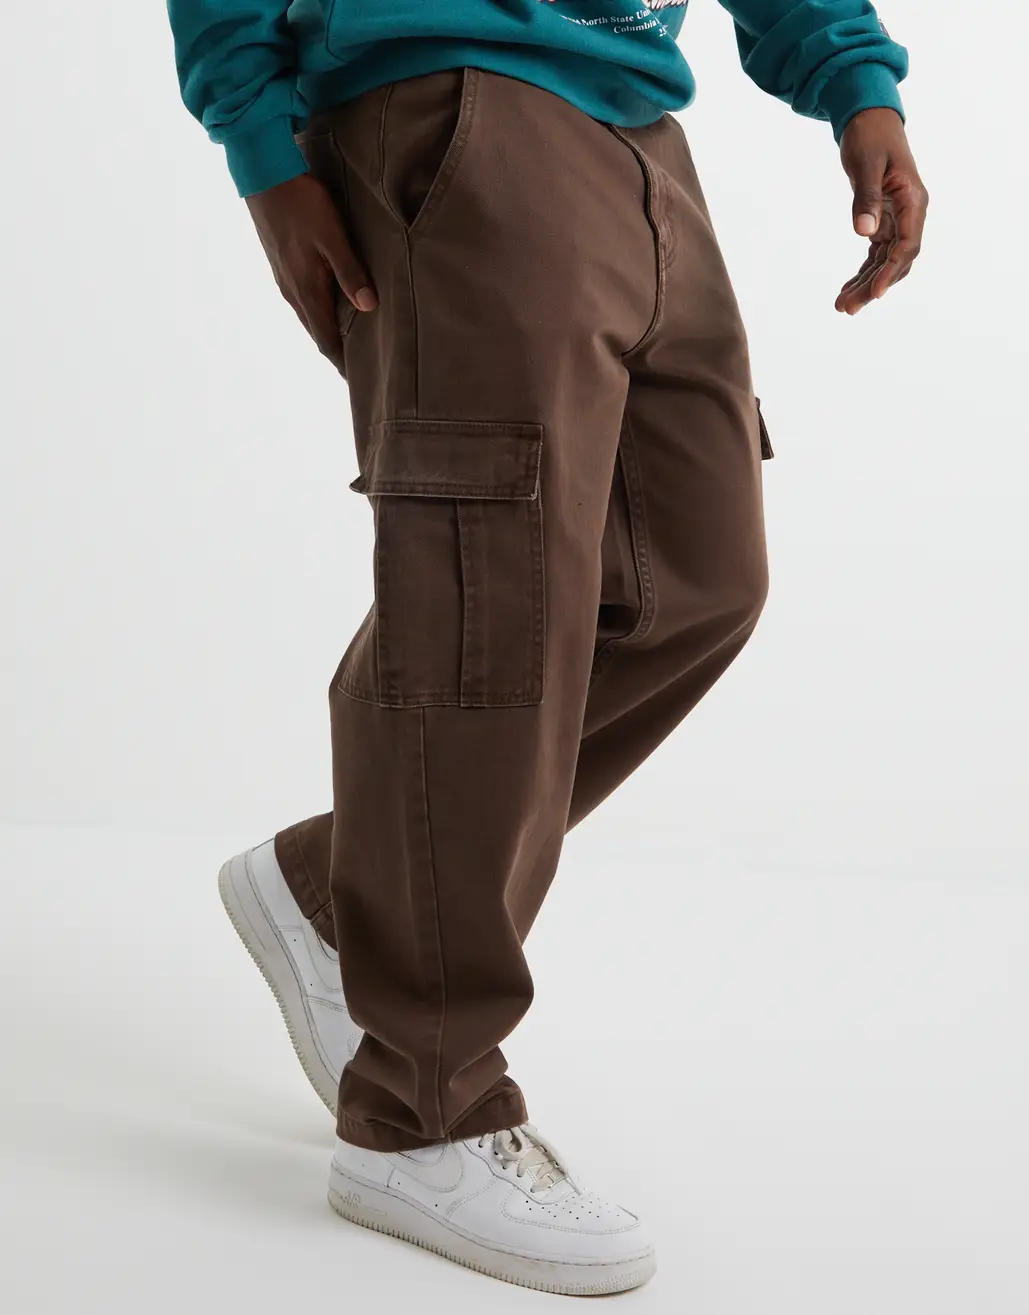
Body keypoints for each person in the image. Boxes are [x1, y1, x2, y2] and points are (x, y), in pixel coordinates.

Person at [167, 0, 927, 1296]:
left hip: (637, 117)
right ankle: (420, 1115)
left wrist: (858, 84)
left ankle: (342, 887)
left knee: (694, 578)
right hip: (448, 93)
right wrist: (261, 144)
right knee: (488, 605)